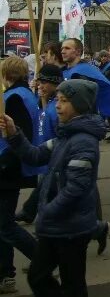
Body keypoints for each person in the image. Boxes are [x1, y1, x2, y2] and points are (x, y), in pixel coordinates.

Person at [0, 79, 106, 296]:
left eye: (64, 101)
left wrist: (47, 212)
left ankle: (98, 228)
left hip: (71, 227)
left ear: (80, 105)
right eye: (57, 100)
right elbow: (35, 155)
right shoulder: (64, 135)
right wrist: (13, 133)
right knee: (38, 277)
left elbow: (75, 189)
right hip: (56, 225)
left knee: (72, 284)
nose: (57, 105)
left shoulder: (83, 141)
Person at [0, 57, 40, 294]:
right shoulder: (24, 94)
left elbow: (19, 132)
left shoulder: (15, 97)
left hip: (7, 168)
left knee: (5, 226)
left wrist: (6, 163)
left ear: (7, 74)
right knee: (2, 225)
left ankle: (41, 258)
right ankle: (5, 274)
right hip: (9, 165)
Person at [15, 64, 63, 224]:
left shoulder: (59, 107)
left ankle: (96, 226)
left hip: (57, 159)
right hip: (46, 155)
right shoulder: (45, 100)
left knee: (57, 194)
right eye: (38, 81)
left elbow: (62, 136)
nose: (39, 85)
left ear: (55, 84)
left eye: (44, 82)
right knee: (46, 188)